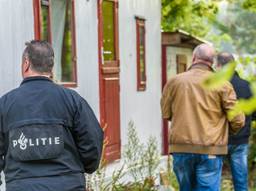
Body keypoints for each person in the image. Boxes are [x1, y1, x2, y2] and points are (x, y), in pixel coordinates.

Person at [0, 40, 104, 191]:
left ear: (26, 64)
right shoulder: (72, 100)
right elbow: (92, 141)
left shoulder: (5, 104)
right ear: (51, 67)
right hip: (68, 185)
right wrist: (82, 169)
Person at [161, 43, 245, 191]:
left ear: (194, 58)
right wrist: (224, 132)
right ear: (212, 62)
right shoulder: (222, 84)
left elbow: (166, 113)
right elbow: (238, 119)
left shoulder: (174, 82)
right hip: (210, 149)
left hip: (181, 149)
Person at [217, 52, 255, 191]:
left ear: (219, 66)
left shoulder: (215, 87)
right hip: (240, 140)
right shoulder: (247, 86)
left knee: (212, 180)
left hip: (217, 140)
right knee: (240, 182)